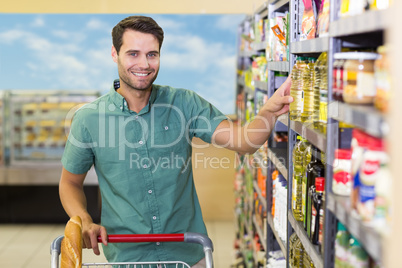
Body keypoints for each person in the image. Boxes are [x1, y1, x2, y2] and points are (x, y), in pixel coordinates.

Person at [59, 15, 292, 267]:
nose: (144, 63)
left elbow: (244, 142)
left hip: (188, 253)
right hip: (128, 257)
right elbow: (70, 182)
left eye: (152, 54)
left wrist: (269, 111)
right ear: (114, 54)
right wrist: (83, 218)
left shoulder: (184, 103)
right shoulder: (89, 119)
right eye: (133, 54)